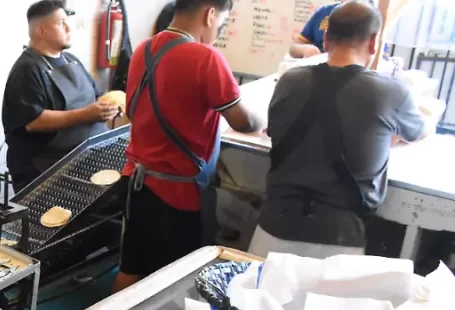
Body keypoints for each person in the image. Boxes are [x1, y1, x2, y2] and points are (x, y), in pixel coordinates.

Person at [249, 1, 429, 259]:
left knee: (256, 299)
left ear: (325, 38)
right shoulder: (390, 92)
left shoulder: (289, 80)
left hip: (271, 231)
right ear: (374, 42)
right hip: (337, 242)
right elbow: (419, 131)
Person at [112, 0, 263, 293]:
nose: (219, 29)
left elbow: (134, 111)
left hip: (137, 183)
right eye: (222, 21)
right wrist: (261, 120)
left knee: (132, 268)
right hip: (177, 195)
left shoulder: (144, 49)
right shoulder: (205, 57)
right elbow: (243, 121)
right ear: (209, 14)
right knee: (176, 282)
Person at [2, 0, 121, 190]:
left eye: (67, 21)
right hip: (44, 171)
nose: (68, 28)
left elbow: (97, 97)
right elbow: (33, 121)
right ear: (41, 31)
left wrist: (110, 107)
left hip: (82, 161)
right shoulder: (27, 70)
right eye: (60, 23)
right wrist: (85, 115)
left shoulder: (71, 60)